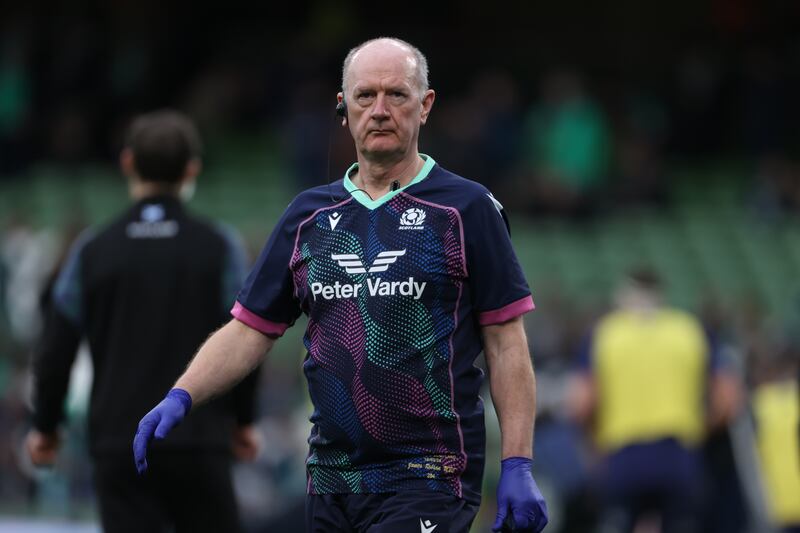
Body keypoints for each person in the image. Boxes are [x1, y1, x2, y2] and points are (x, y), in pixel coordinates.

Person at [134, 37, 548, 533]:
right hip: (332, 478)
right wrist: (181, 395)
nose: (379, 110)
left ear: (426, 105)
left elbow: (506, 344)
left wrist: (518, 464)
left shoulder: (468, 210)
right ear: (343, 108)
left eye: (396, 95)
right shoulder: (307, 217)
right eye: (365, 96)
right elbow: (249, 330)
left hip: (430, 476)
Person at [26, 110, 260, 533]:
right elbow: (246, 335)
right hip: (200, 441)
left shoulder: (93, 250)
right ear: (192, 168)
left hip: (118, 444)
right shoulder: (220, 246)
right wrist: (244, 421)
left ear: (127, 163)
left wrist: (45, 427)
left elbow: (56, 347)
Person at [568, 268, 740, 533]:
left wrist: (594, 445)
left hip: (622, 455)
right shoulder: (690, 329)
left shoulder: (605, 333)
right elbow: (728, 400)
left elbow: (581, 404)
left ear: (625, 293)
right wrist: (700, 430)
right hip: (679, 453)